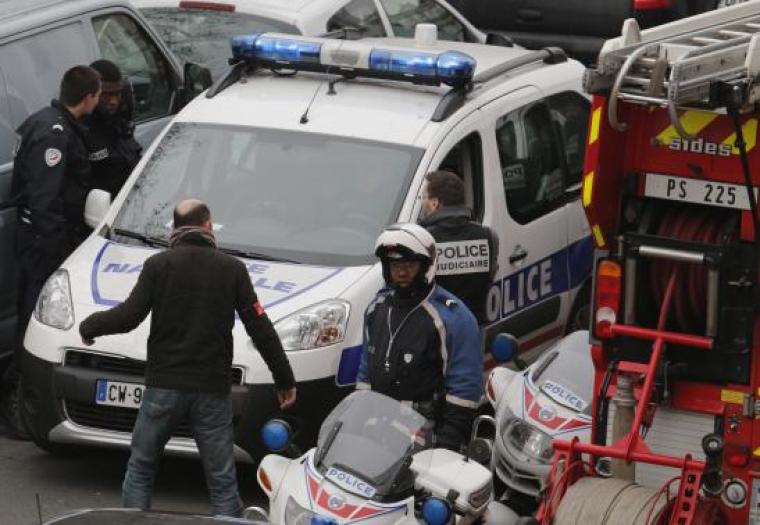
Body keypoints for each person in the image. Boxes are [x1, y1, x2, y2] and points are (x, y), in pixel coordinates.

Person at [78, 199, 297, 517]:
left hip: (163, 387)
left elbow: (129, 316)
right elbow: (259, 326)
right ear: (208, 226)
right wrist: (284, 378)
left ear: (175, 228)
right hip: (211, 391)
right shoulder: (231, 269)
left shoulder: (160, 265)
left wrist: (91, 326)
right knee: (221, 481)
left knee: (141, 467)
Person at [2, 65, 101, 438]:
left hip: (37, 238)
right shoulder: (54, 134)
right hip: (44, 242)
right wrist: (58, 249)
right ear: (89, 97)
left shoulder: (44, 121)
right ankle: (16, 402)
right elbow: (45, 201)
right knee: (34, 319)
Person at [356, 223, 482, 452]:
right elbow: (365, 375)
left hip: (426, 435)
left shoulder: (453, 318)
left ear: (426, 266)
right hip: (378, 429)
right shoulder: (376, 309)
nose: (401, 272)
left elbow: (465, 390)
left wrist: (447, 445)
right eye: (395, 265)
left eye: (409, 264)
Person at [418, 170, 498, 324]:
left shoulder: (424, 241)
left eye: (423, 197)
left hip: (435, 328)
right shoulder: (488, 236)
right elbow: (490, 275)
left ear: (435, 203)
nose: (422, 202)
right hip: (474, 326)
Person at [85, 59, 142, 198]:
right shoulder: (81, 132)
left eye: (117, 94)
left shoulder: (121, 122)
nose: (114, 101)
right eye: (106, 95)